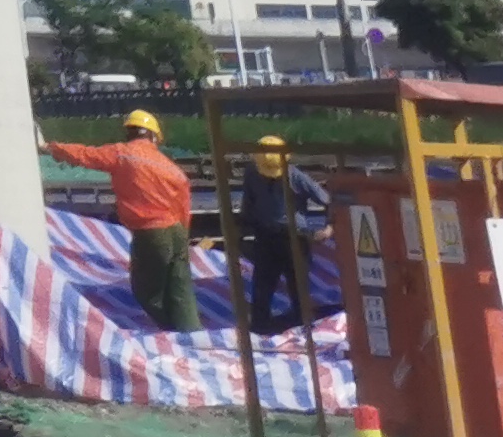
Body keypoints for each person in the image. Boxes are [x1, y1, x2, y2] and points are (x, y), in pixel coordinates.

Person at [51, 108, 200, 330]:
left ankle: (170, 331)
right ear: (153, 136)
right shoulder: (170, 168)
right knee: (181, 288)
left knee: (146, 291)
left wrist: (53, 148)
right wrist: (183, 236)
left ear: (129, 132)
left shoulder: (122, 154)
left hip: (151, 232)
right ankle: (191, 333)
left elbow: (85, 155)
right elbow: (184, 203)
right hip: (176, 230)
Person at [234, 134, 329, 335]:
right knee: (262, 285)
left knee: (298, 285)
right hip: (266, 236)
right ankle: (259, 326)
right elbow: (248, 204)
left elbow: (328, 200)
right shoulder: (252, 174)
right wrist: (241, 233)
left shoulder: (295, 176)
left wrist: (329, 228)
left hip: (294, 237)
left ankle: (303, 326)